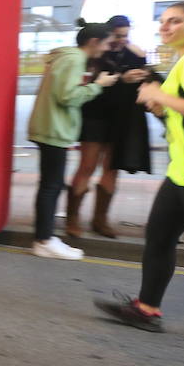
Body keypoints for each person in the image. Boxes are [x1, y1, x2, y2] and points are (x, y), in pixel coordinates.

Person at [96, 1, 184, 332]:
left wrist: (157, 95)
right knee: (159, 237)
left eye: (175, 21)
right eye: (163, 21)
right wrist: (161, 104)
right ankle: (147, 309)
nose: (166, 27)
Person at [26, 23, 119, 259]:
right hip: (54, 130)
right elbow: (67, 96)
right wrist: (98, 86)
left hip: (51, 128)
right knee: (51, 186)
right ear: (94, 42)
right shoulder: (74, 59)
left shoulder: (67, 57)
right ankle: (43, 240)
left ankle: (45, 237)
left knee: (51, 185)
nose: (107, 48)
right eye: (107, 43)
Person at [68, 14, 151, 238]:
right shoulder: (95, 54)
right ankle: (72, 219)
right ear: (107, 34)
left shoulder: (132, 53)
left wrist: (142, 66)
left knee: (112, 168)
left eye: (126, 36)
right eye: (117, 36)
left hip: (121, 118)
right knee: (87, 166)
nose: (122, 40)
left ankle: (100, 219)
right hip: (94, 116)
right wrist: (123, 79)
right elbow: (90, 88)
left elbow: (144, 80)